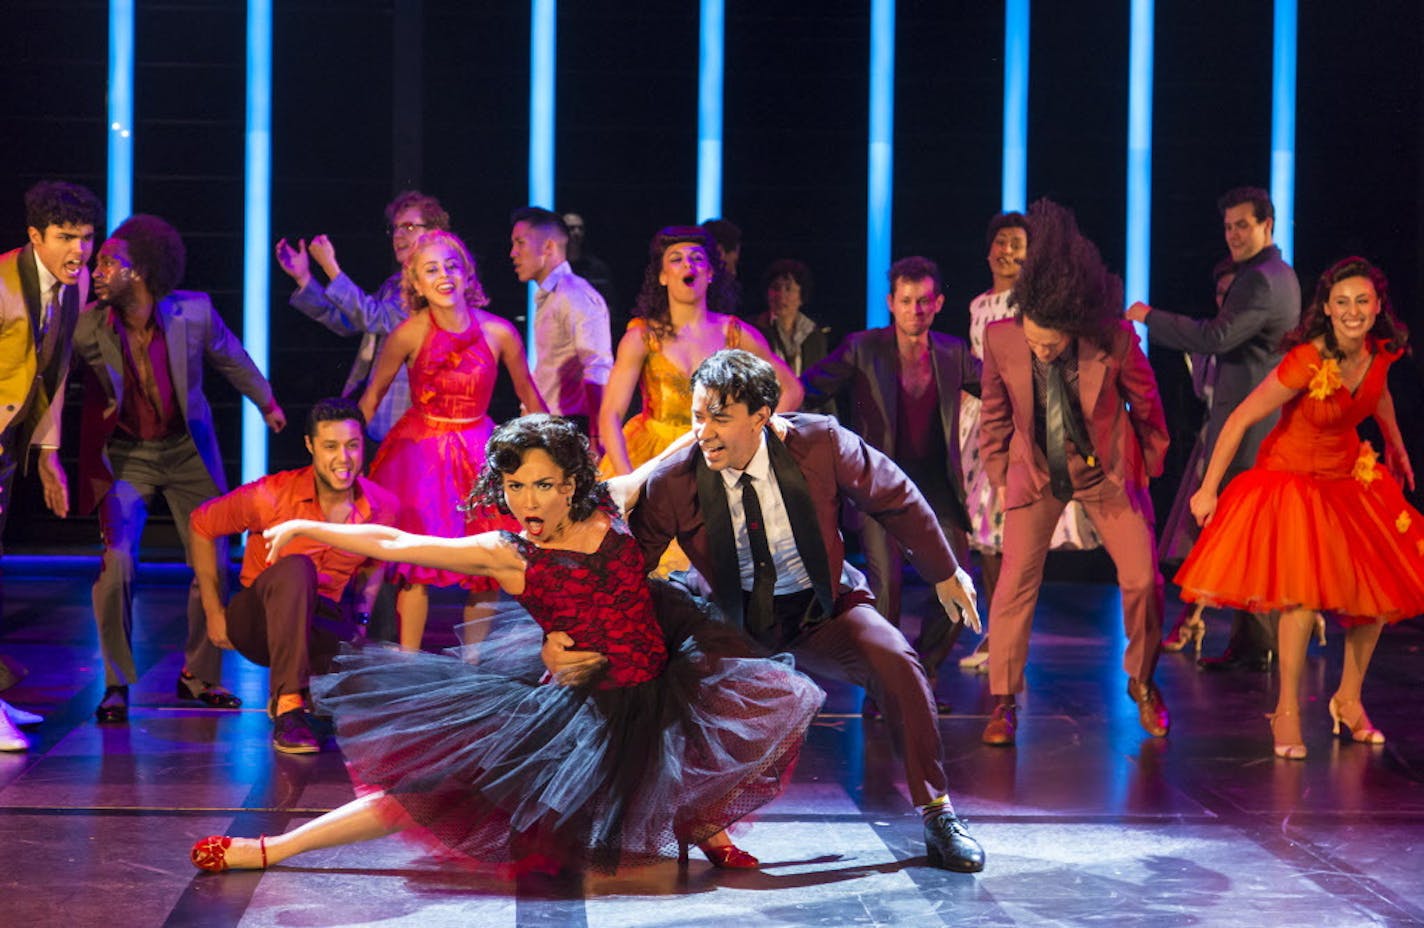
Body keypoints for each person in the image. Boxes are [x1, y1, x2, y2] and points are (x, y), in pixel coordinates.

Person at [189, 415, 823, 873]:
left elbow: (677, 451)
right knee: (433, 790)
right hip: (582, 705)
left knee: (689, 747)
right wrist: (305, 523)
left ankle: (706, 827)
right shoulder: (509, 554)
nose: (526, 501)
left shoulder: (615, 506)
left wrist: (752, 422)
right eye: (515, 487)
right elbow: (397, 545)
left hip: (659, 678)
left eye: (542, 485)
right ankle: (275, 849)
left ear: (572, 484)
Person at [624, 349, 987, 873]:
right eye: (697, 417)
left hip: (823, 607)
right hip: (732, 618)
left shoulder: (820, 443)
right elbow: (633, 566)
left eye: (720, 418)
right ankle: (698, 818)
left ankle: (938, 813)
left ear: (762, 415)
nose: (703, 432)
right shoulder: (677, 480)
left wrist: (944, 571)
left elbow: (895, 496)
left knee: (899, 663)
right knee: (669, 685)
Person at [1175, 257, 1423, 759]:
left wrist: (1395, 443)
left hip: (1349, 480)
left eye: (1362, 301)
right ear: (1327, 310)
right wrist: (1209, 488)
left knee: (1374, 601)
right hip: (1292, 480)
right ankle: (1286, 710)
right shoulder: (1309, 359)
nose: (1352, 311)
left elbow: (1378, 396)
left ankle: (1348, 701)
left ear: (1377, 308)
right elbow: (1242, 417)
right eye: (1342, 303)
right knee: (1301, 598)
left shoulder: (1380, 352)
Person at [73, 214, 286, 724]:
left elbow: (232, 359)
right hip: (127, 456)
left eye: (108, 262)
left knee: (211, 564)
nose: (95, 269)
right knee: (117, 563)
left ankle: (199, 676)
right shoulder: (88, 326)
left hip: (187, 451)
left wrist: (267, 402)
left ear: (140, 271)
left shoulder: (194, 313)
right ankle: (116, 683)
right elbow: (49, 373)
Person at [977, 199, 1171, 746]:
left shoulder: (1110, 339)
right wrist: (998, 473)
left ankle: (1143, 680)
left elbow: (1148, 405)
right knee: (1013, 586)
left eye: (1050, 343)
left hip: (1105, 472)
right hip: (1035, 474)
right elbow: (993, 413)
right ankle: (1003, 702)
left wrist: (1149, 464)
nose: (1039, 350)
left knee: (1143, 580)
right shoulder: (1001, 339)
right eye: (1033, 338)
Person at [1127, 186, 1300, 669]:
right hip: (1253, 423)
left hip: (1250, 428)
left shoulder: (1261, 280)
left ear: (1267, 224)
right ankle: (1248, 644)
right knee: (1246, 535)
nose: (1234, 235)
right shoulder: (1273, 274)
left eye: (1243, 225)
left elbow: (1217, 337)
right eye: (1228, 227)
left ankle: (1259, 644)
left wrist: (1149, 318)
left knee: (1247, 534)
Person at [360, 229, 546, 650]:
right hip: (419, 455)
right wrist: (345, 453)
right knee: (416, 563)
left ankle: (472, 668)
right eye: (431, 270)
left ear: (466, 275)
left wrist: (553, 455)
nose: (443, 275)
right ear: (418, 284)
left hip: (478, 449)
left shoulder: (499, 333)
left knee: (486, 561)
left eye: (451, 266)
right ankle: (408, 666)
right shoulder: (408, 333)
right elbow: (371, 398)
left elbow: (530, 397)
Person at [801, 256, 980, 683]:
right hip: (878, 484)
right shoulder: (863, 347)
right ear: (890, 303)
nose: (915, 310)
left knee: (959, 584)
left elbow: (1000, 388)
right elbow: (806, 388)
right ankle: (886, 684)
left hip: (936, 483)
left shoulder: (953, 353)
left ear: (937, 304)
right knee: (885, 593)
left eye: (923, 301)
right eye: (906, 301)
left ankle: (919, 672)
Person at [189, 397, 400, 753]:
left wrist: (361, 622)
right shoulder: (271, 494)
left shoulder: (382, 506)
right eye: (330, 447)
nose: (343, 459)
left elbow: (375, 564)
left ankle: (311, 696)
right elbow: (201, 524)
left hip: (319, 622)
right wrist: (213, 612)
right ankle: (287, 704)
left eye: (352, 446)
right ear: (310, 446)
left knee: (372, 702)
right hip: (258, 621)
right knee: (297, 567)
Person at [956, 212, 1102, 673]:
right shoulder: (979, 306)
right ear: (988, 251)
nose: (1009, 252)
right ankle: (995, 635)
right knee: (985, 535)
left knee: (1014, 529)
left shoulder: (1035, 302)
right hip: (981, 420)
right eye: (1001, 242)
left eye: (1018, 243)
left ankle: (1009, 634)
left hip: (1028, 418)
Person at [0, 180, 102, 747]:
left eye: (86, 238)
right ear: (34, 236)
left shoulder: (76, 282)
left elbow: (55, 370)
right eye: (65, 237)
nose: (78, 251)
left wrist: (46, 453)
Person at [599, 226, 802, 479]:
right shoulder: (642, 337)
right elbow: (610, 415)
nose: (688, 265)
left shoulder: (735, 334)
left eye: (696, 258)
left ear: (710, 273)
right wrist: (627, 479)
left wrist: (752, 436)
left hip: (716, 454)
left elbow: (791, 389)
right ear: (662, 276)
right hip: (653, 458)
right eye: (676, 259)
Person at [277, 190, 451, 441]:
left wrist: (331, 267)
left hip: (405, 416)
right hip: (379, 411)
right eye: (396, 229)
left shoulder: (432, 285)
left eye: (410, 227)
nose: (399, 235)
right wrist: (304, 278)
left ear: (433, 233)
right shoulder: (395, 284)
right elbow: (350, 321)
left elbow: (374, 317)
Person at [509, 207, 613, 446]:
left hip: (570, 429)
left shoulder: (574, 295)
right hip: (548, 425)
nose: (513, 253)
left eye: (520, 243)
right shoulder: (552, 295)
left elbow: (597, 367)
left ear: (548, 247)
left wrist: (598, 438)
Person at [749, 258, 829, 379]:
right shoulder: (754, 331)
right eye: (775, 288)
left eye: (788, 289)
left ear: (801, 296)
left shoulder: (814, 335)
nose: (781, 295)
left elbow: (820, 382)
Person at [561, 211, 618, 327]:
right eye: (571, 228)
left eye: (580, 228)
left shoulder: (597, 268)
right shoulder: (554, 268)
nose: (576, 233)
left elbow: (608, 305)